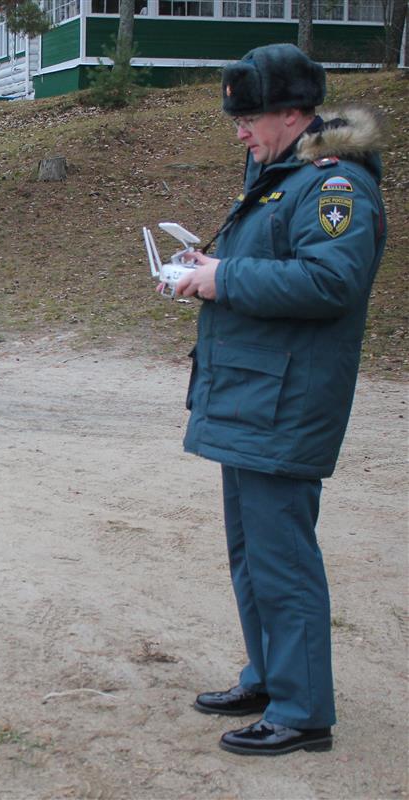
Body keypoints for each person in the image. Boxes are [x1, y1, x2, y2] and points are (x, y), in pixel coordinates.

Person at [173, 43, 387, 756]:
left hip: (285, 403)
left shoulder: (334, 186)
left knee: (282, 560)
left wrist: (222, 278)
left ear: (293, 115)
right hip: (251, 396)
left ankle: (302, 712)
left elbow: (331, 284)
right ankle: (268, 675)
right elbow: (268, 263)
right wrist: (209, 269)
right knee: (250, 553)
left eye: (250, 117)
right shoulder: (278, 173)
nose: (239, 130)